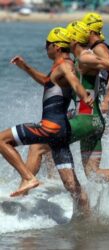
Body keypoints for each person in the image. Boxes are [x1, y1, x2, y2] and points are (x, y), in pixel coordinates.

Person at [20, 21, 109, 190]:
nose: (66, 42)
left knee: (38, 145)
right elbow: (49, 81)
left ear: (75, 41)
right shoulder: (78, 60)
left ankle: (25, 190)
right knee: (93, 173)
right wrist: (25, 67)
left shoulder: (84, 58)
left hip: (86, 119)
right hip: (95, 121)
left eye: (69, 38)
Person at [3, 27, 92, 215]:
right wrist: (25, 67)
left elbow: (74, 81)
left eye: (47, 45)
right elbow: (46, 81)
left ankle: (28, 178)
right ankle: (87, 221)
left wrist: (84, 94)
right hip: (60, 133)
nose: (45, 49)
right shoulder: (61, 66)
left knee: (1, 140)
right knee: (71, 184)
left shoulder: (65, 66)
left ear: (57, 47)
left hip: (50, 128)